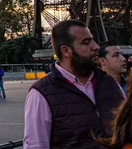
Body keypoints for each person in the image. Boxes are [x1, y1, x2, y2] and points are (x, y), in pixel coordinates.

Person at [23, 19, 125, 149]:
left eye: (92, 40)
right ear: (66, 51)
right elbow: (36, 145)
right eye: (86, 42)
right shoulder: (42, 93)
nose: (96, 46)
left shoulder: (109, 83)